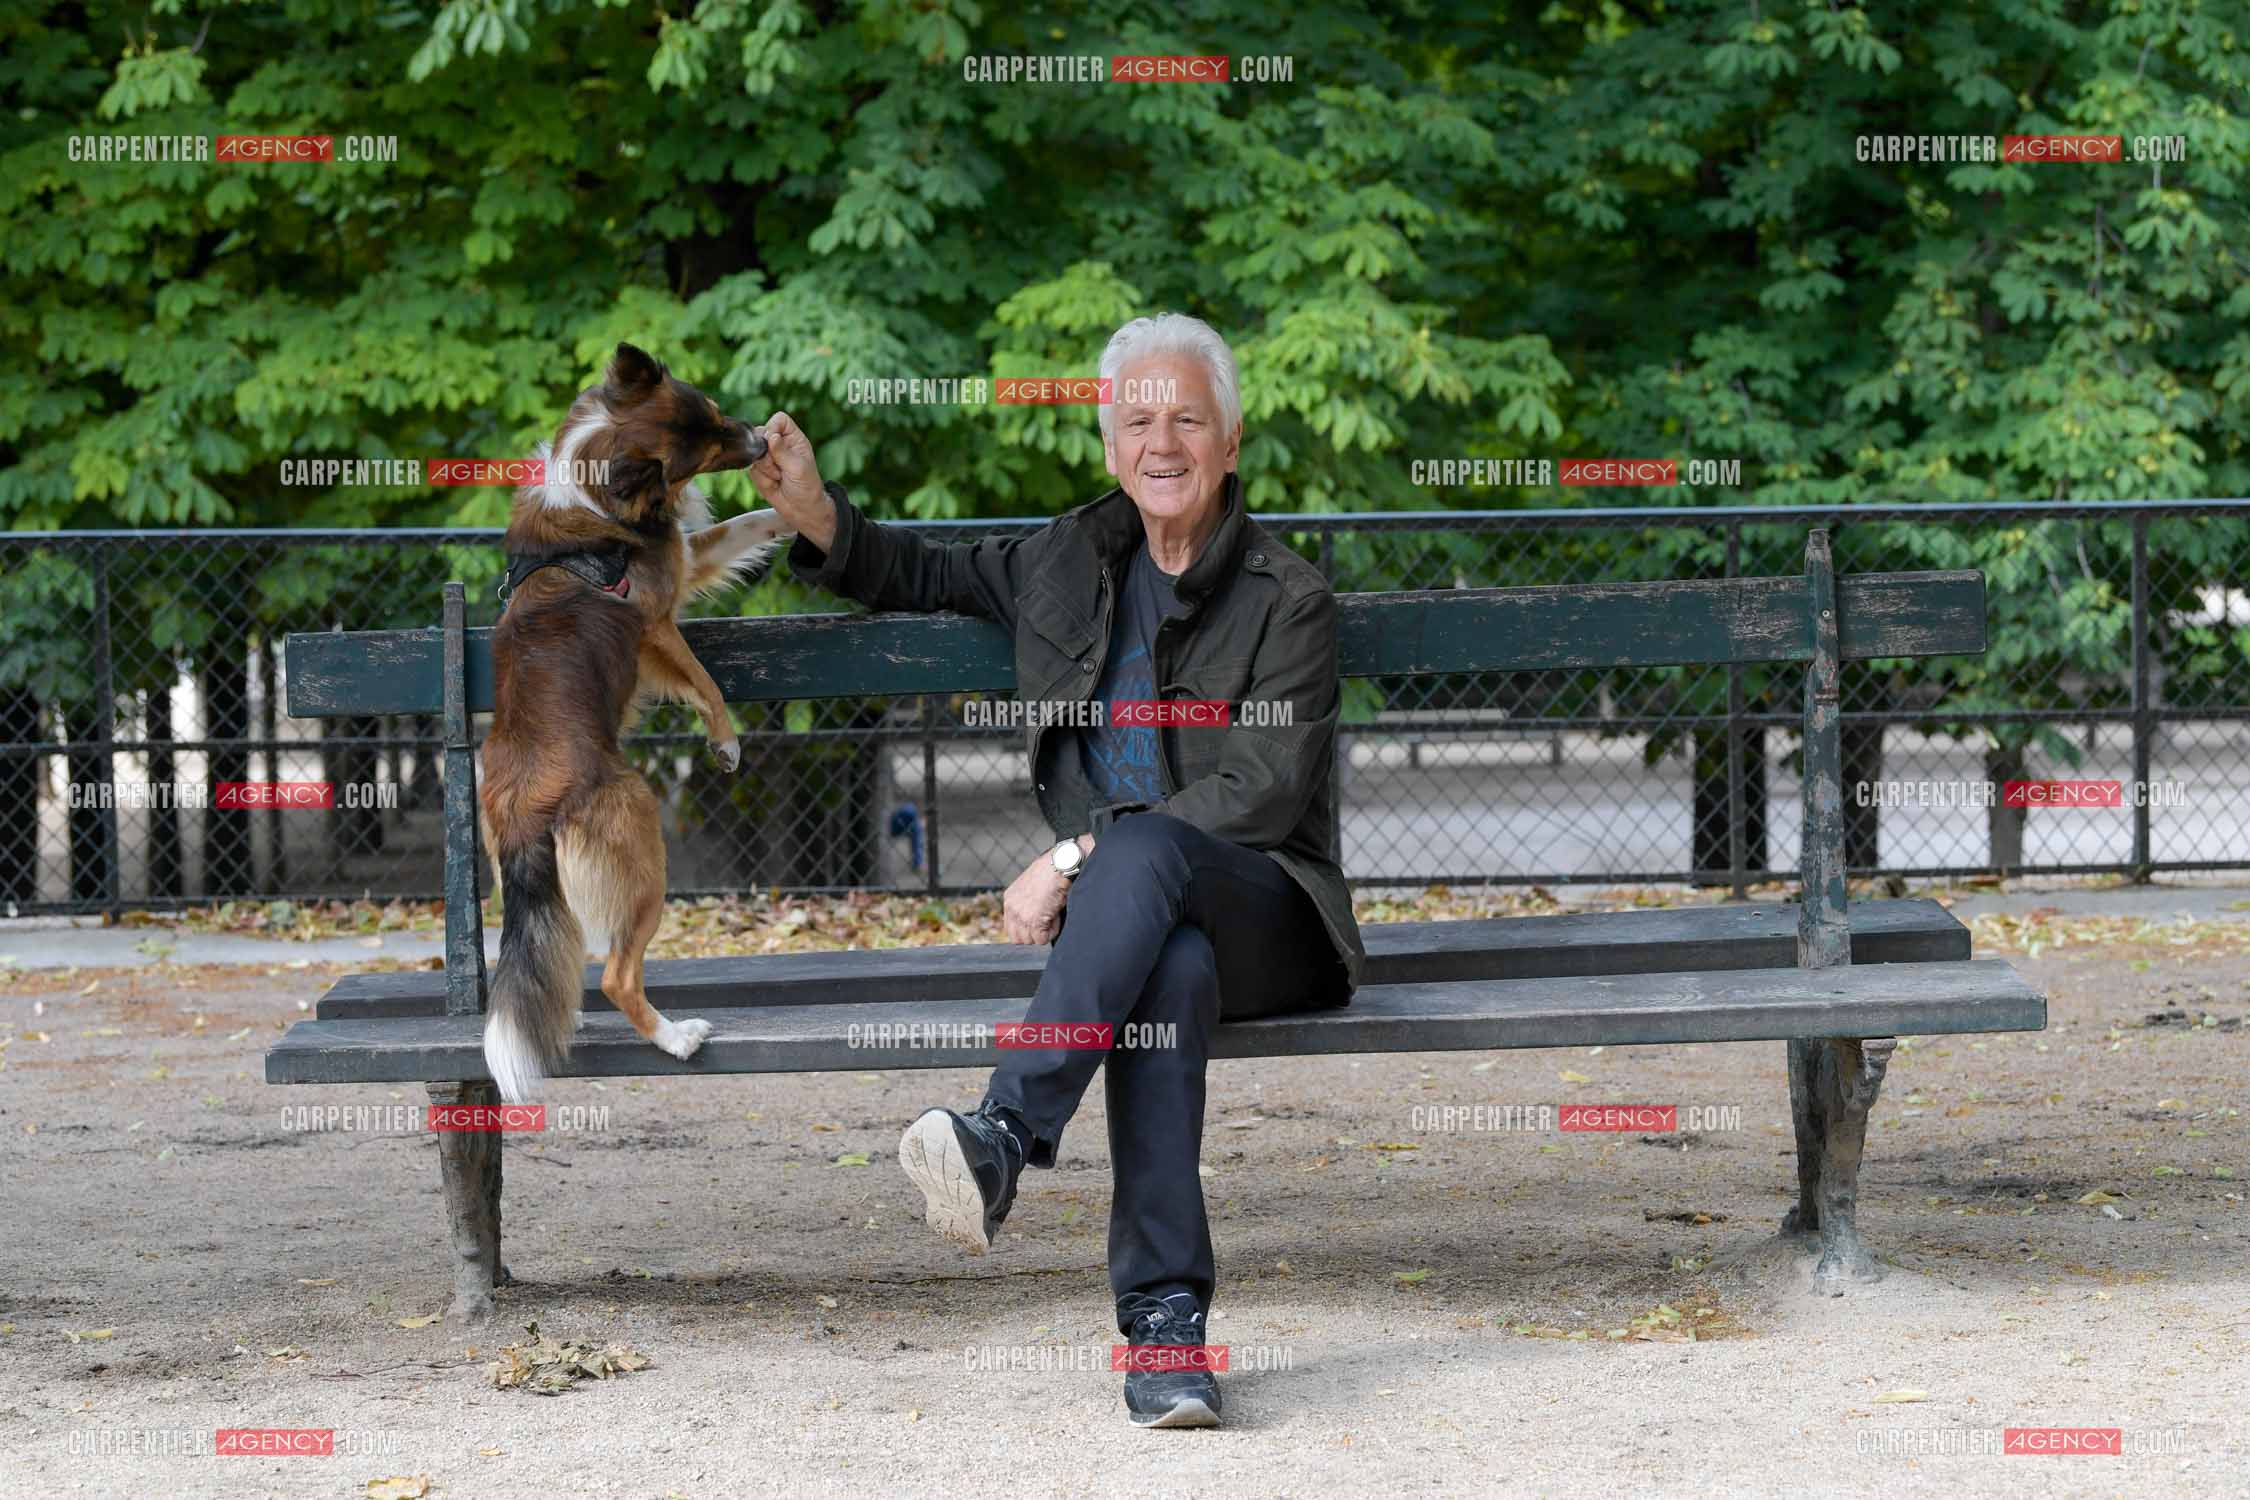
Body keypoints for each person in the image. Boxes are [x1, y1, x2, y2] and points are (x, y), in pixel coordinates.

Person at [746, 313, 1362, 1428]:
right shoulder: (1068, 560)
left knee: (1151, 855)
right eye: (1138, 419)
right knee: (1163, 973)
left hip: (1271, 915)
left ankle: (1002, 1130)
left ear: (1231, 444)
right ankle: (1167, 1332)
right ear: (1109, 443)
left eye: (1187, 418)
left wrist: (1076, 852)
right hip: (1143, 935)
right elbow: (917, 570)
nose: (1160, 440)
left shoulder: (1290, 597)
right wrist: (814, 512)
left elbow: (1261, 793)